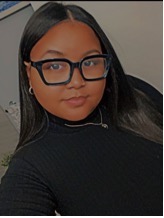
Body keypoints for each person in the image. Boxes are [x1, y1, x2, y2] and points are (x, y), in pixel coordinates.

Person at [0, 2, 162, 216]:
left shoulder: (135, 92)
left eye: (90, 62)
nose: (76, 82)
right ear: (29, 73)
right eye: (55, 66)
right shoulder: (30, 168)